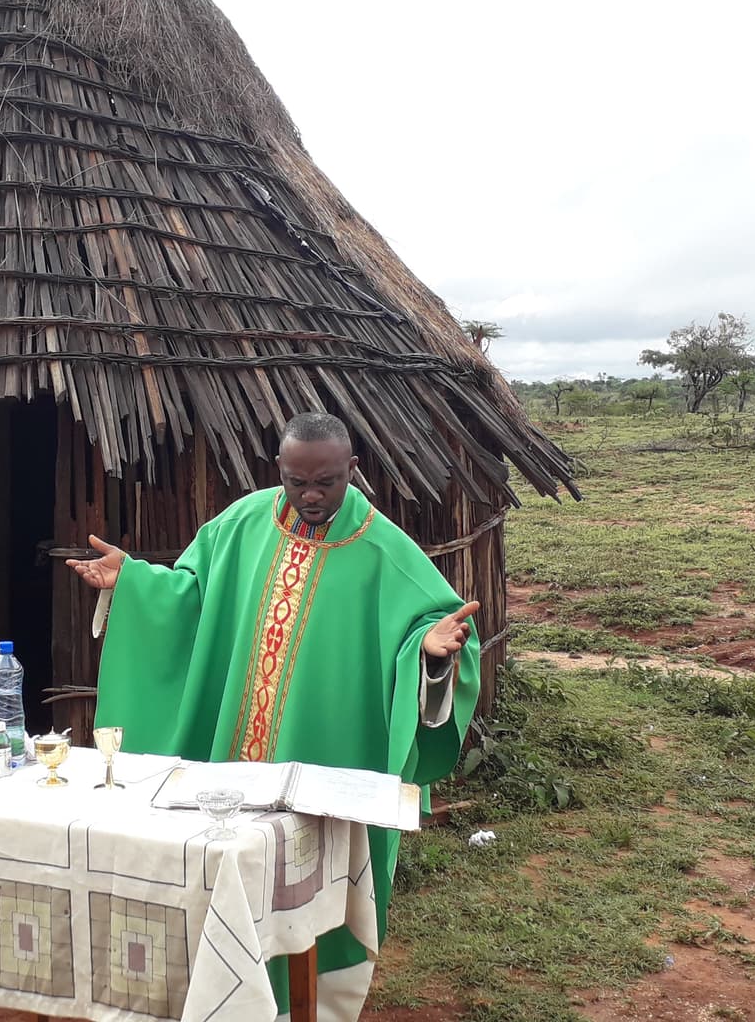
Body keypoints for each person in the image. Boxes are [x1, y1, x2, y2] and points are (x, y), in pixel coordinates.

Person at [67, 411, 481, 1021]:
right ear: (279, 470)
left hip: (323, 755)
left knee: (305, 891)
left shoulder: (384, 549)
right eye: (297, 481)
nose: (311, 496)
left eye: (327, 482)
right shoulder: (241, 524)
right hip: (228, 760)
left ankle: (303, 1007)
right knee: (222, 876)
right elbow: (191, 595)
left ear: (352, 470)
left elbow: (430, 622)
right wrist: (131, 582)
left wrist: (429, 651)